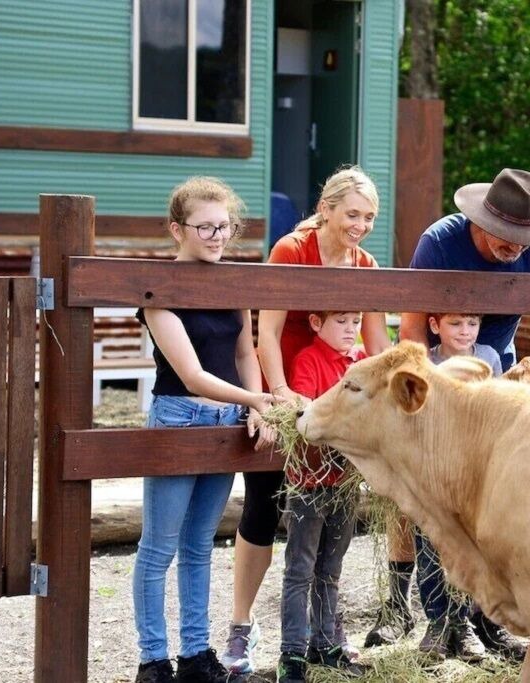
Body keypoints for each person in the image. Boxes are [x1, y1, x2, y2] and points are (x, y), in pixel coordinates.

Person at [364, 167, 530, 655]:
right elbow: (413, 327)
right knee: (417, 496)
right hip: (436, 375)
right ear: (480, 222)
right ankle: (405, 609)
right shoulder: (440, 243)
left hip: (495, 374)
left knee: (491, 505)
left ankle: (486, 617)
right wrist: (425, 398)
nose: (516, 246)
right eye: (506, 236)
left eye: (525, 237)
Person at [221, 167, 391, 674]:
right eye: (352, 214)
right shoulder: (291, 251)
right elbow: (267, 333)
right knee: (262, 507)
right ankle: (241, 628)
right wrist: (279, 397)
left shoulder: (366, 263)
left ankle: (323, 633)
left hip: (336, 402)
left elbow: (377, 344)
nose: (361, 225)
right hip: (288, 390)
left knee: (332, 519)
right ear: (326, 209)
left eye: (369, 217)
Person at [134, 177, 278, 683]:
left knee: (199, 545)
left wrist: (254, 410)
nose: (218, 236)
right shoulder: (158, 291)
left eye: (225, 226)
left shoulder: (233, 282)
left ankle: (196, 654)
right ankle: (154, 658)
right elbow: (192, 374)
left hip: (225, 420)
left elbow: (245, 352)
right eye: (205, 227)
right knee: (159, 547)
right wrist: (256, 400)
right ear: (177, 230)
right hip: (179, 415)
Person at [276, 311, 369, 683]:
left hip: (345, 482)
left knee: (331, 569)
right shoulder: (309, 360)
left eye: (357, 321)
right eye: (342, 321)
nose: (351, 329)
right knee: (300, 568)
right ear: (316, 323)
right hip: (309, 482)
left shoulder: (361, 364)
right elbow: (305, 413)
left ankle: (325, 643)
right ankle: (293, 653)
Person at [411, 312, 510, 662]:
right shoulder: (426, 362)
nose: (465, 331)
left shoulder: (488, 358)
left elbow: (497, 410)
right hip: (433, 471)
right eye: (456, 324)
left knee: (476, 546)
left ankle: (472, 623)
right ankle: (439, 623)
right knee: (430, 546)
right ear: (435, 325)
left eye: (472, 323)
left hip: (474, 471)